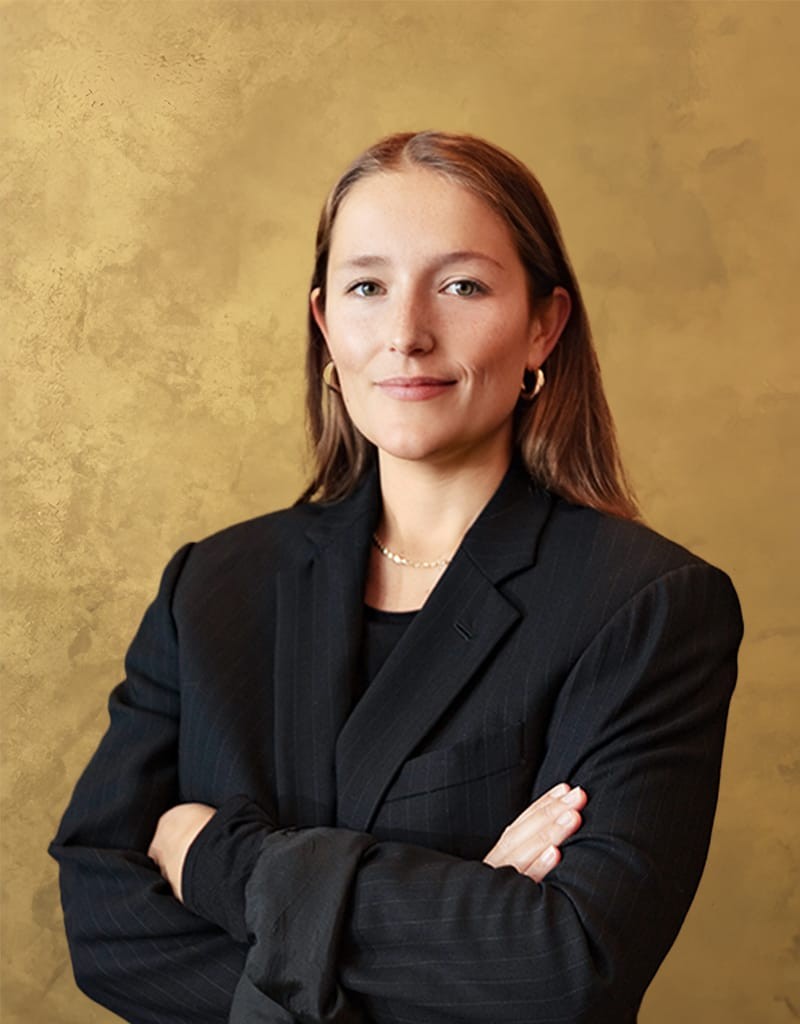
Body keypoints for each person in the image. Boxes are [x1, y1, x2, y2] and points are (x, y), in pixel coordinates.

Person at [50, 131, 743, 1024]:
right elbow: (103, 922)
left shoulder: (646, 606)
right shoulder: (211, 586)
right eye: (367, 287)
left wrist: (228, 862)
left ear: (544, 324)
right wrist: (458, 916)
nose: (407, 334)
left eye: (461, 285)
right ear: (325, 324)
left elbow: (566, 965)